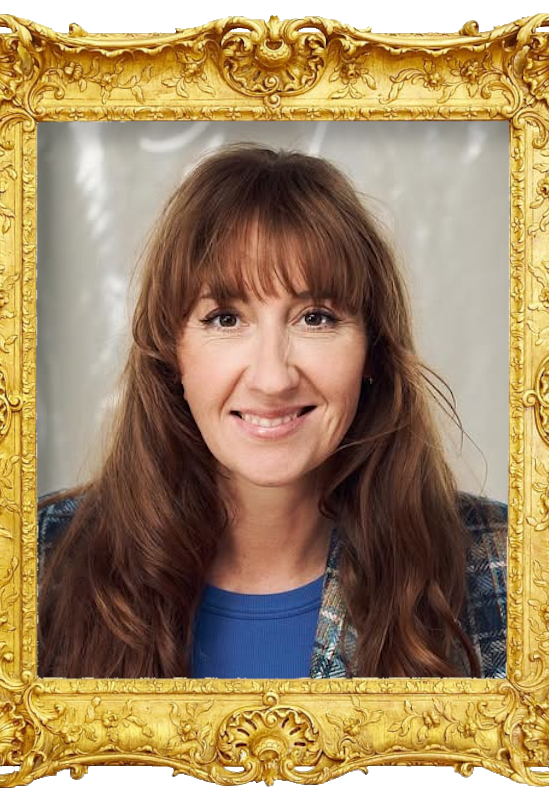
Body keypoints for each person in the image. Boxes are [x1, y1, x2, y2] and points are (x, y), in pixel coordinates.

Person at [38, 144, 507, 680]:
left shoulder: (506, 566)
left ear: (371, 351)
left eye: (315, 318)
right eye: (224, 319)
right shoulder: (36, 558)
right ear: (172, 355)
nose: (272, 377)